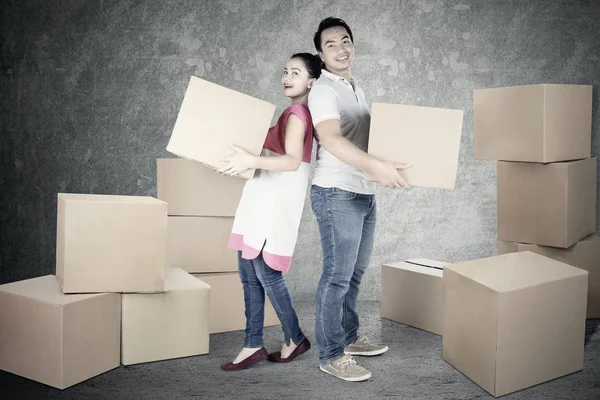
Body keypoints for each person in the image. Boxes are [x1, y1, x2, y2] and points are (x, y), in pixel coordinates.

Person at [308, 17, 410, 381]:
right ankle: (332, 354)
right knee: (336, 277)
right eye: (331, 44)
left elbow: (366, 139)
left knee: (353, 275)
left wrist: (389, 163)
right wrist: (377, 167)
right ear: (321, 54)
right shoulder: (323, 90)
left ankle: (348, 337)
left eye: (345, 40)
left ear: (354, 46)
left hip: (363, 192)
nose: (340, 48)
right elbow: (332, 141)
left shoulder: (354, 86)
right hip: (336, 192)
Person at [217, 53, 322, 371]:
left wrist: (250, 160)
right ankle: (252, 344)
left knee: (264, 274)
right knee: (248, 272)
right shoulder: (294, 113)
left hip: (273, 204)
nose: (286, 77)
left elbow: (291, 161)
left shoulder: (296, 113)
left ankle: (294, 338)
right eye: (285, 71)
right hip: (263, 199)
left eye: (296, 73)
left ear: (311, 82)